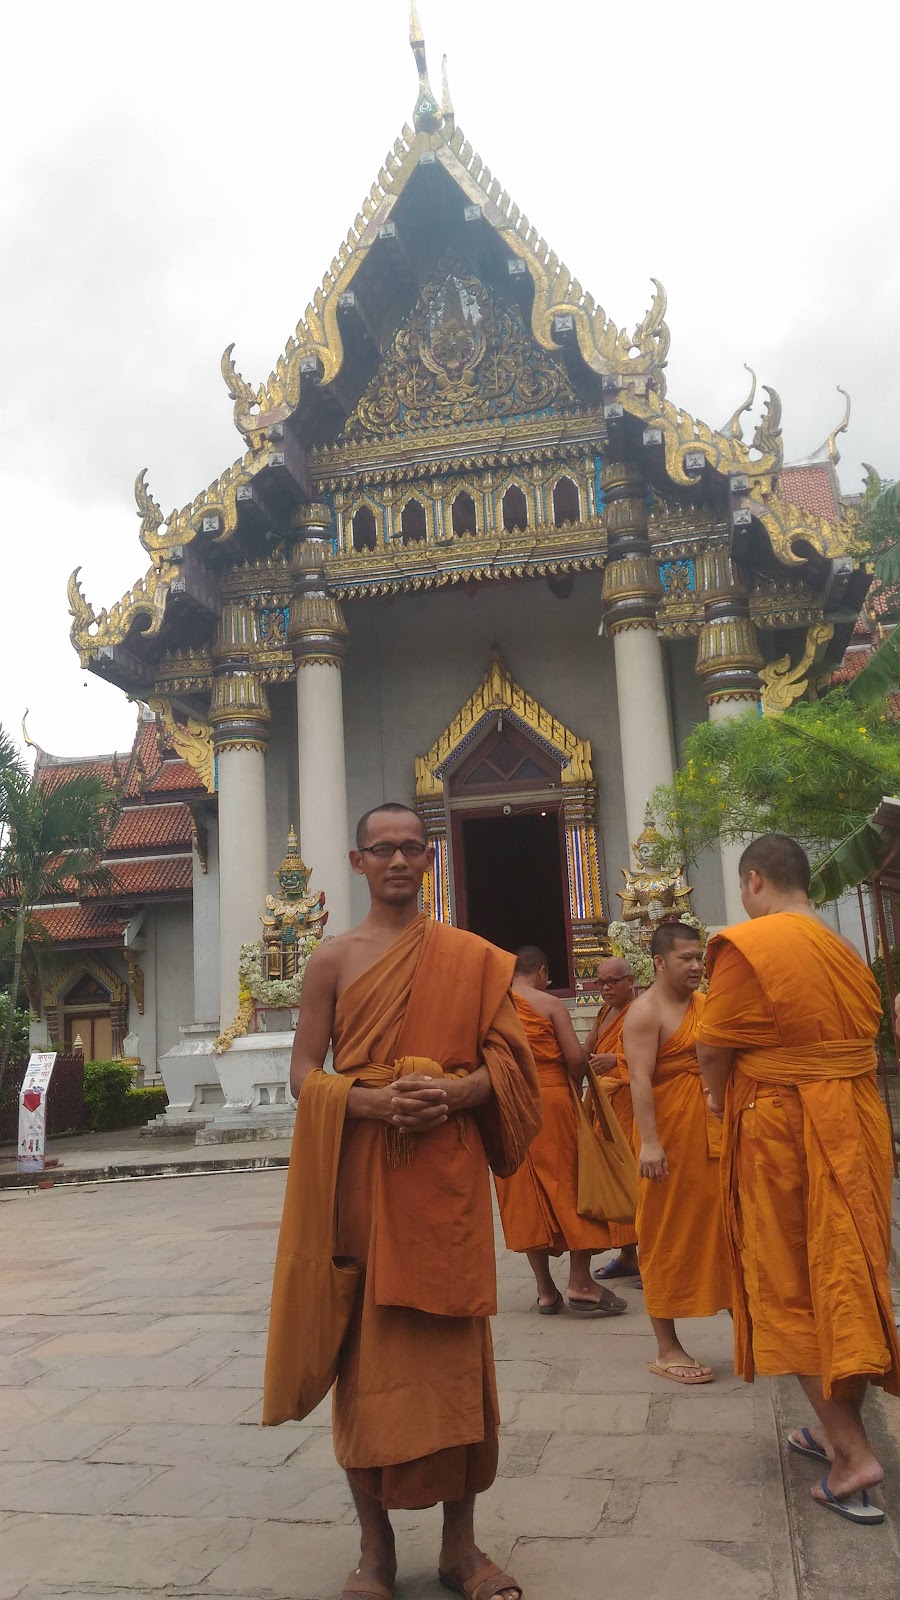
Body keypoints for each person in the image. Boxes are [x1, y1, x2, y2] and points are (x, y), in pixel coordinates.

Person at [264, 803, 541, 1600]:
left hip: (444, 1179)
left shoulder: (471, 959)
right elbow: (304, 1073)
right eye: (381, 849)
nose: (397, 861)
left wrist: (456, 1094)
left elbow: (508, 1068)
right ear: (357, 862)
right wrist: (371, 1103)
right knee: (363, 1356)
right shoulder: (332, 961)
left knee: (458, 1360)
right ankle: (375, 1551)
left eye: (411, 849)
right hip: (361, 1173)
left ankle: (461, 1548)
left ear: (429, 860)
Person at [696, 834, 900, 1526]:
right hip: (856, 1125)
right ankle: (828, 1430)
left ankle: (852, 1455)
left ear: (753, 880)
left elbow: (713, 1044)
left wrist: (716, 1101)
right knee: (848, 1275)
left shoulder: (750, 945)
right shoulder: (844, 948)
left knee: (790, 1283)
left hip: (784, 1130)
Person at [623, 921, 732, 1384]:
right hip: (667, 1138)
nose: (696, 966)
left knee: (729, 1227)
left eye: (698, 957)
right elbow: (638, 1080)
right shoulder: (645, 1012)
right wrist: (649, 1143)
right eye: (686, 958)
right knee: (665, 1231)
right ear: (659, 962)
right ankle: (667, 1348)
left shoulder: (704, 1003)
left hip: (710, 1129)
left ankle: (755, 1332)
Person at [493, 946, 627, 1318]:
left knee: (525, 1194)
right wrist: (575, 1079)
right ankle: (580, 1282)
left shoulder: (493, 1006)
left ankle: (545, 1291)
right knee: (572, 1183)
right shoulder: (550, 1004)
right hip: (550, 1102)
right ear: (541, 970)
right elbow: (574, 1059)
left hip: (509, 1107)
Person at [585, 957, 640, 1281]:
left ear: (630, 981)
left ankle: (651, 1256)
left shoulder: (641, 1012)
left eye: (612, 982)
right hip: (607, 1105)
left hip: (633, 1106)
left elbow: (658, 1053)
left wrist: (617, 1060)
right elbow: (589, 1048)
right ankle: (628, 1256)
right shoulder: (604, 1012)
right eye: (601, 982)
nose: (605, 988)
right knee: (615, 1177)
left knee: (637, 1178)